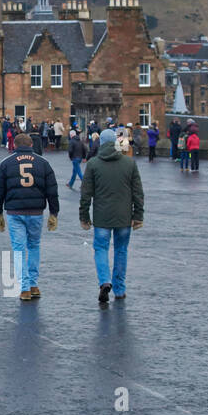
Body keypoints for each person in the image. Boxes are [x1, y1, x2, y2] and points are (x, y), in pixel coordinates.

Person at [77, 128, 144, 303]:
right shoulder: (129, 163)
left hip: (102, 218)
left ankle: (104, 281)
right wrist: (138, 216)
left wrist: (84, 217)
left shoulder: (93, 164)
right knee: (121, 251)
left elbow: (86, 195)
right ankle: (120, 289)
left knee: (101, 249)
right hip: (124, 217)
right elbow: (138, 193)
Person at [0, 133, 60, 301]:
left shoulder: (5, 164)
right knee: (34, 246)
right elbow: (52, 190)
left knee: (19, 249)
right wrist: (54, 213)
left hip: (15, 212)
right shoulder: (43, 163)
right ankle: (34, 284)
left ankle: (24, 288)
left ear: (14, 145)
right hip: (36, 211)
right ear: (31, 145)